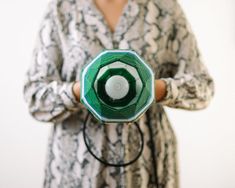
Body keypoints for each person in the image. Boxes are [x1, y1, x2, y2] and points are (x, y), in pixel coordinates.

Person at [23, 0, 214, 187]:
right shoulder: (62, 9)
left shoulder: (165, 7)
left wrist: (155, 90)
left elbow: (203, 87)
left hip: (147, 161)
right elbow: (35, 97)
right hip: (78, 164)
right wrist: (79, 92)